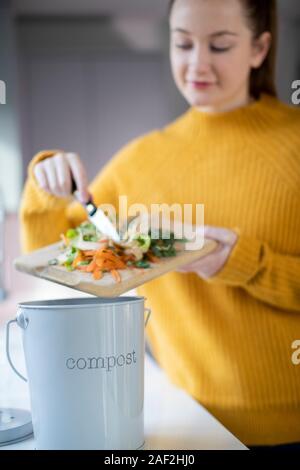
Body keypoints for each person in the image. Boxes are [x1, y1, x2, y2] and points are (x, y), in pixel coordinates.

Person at [20, 0, 300, 449]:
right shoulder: (140, 161)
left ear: (259, 48)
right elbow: (54, 258)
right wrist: (46, 184)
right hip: (189, 424)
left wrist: (249, 264)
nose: (197, 64)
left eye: (220, 45)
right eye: (183, 43)